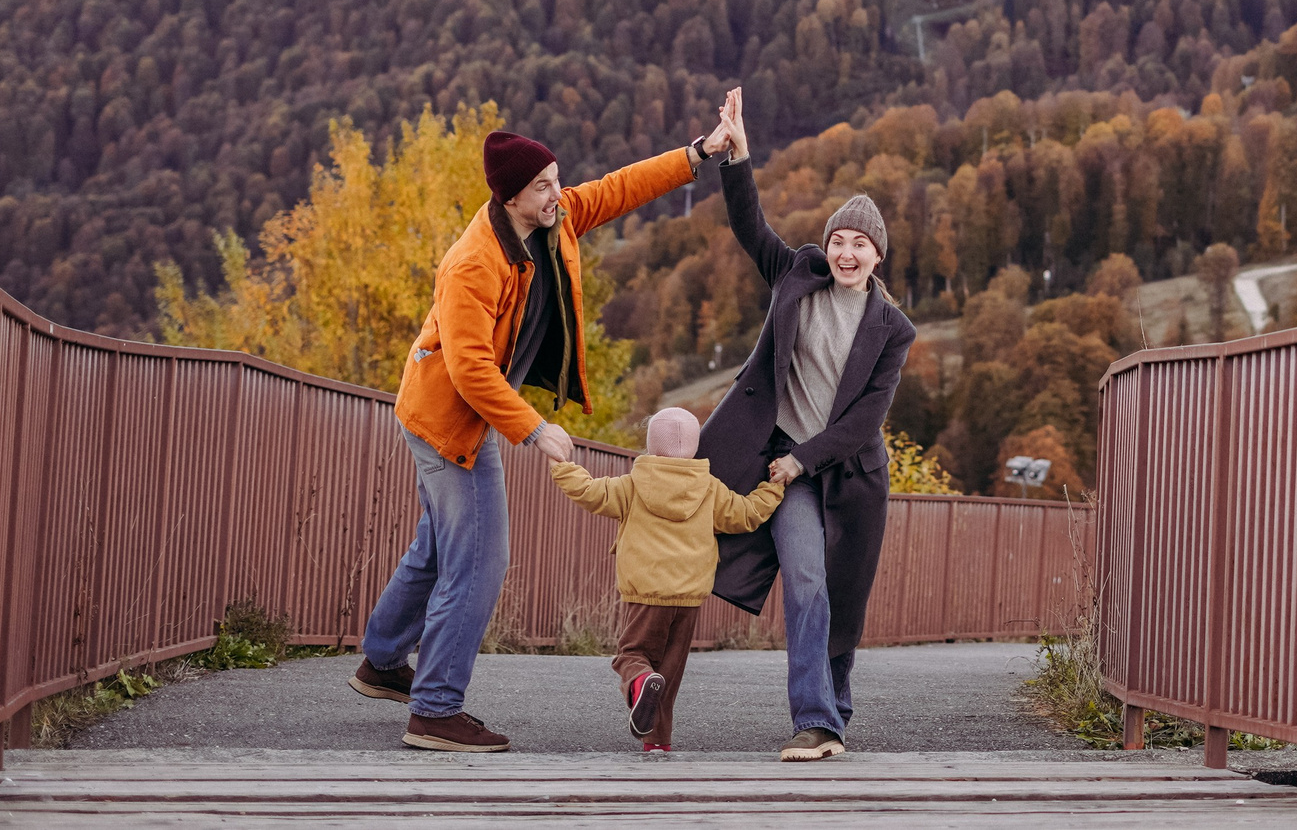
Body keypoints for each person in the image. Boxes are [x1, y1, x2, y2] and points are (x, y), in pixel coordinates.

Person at [350, 125, 730, 752]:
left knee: (441, 547)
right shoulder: (472, 263)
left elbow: (619, 188)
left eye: (556, 180)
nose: (559, 193)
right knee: (479, 560)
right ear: (509, 198)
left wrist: (698, 154)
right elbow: (471, 369)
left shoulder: (552, 220)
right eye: (543, 186)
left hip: (453, 413)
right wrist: (534, 429)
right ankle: (435, 710)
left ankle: (383, 661)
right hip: (449, 425)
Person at [696, 86, 916, 761]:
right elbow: (750, 225)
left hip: (849, 477)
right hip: (785, 464)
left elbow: (863, 422)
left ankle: (834, 704)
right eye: (839, 241)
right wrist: (738, 155)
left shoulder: (891, 329)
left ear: (879, 256)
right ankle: (817, 721)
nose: (847, 253)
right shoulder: (797, 275)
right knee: (808, 582)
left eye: (861, 245)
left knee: (843, 602)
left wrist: (805, 459)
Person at [549, 406, 784, 753]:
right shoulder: (709, 488)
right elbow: (746, 515)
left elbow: (590, 492)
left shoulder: (632, 485)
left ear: (650, 446)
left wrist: (562, 467)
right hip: (690, 595)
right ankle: (657, 742)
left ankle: (641, 681)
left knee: (632, 655)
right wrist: (774, 488)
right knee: (670, 673)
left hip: (646, 592)